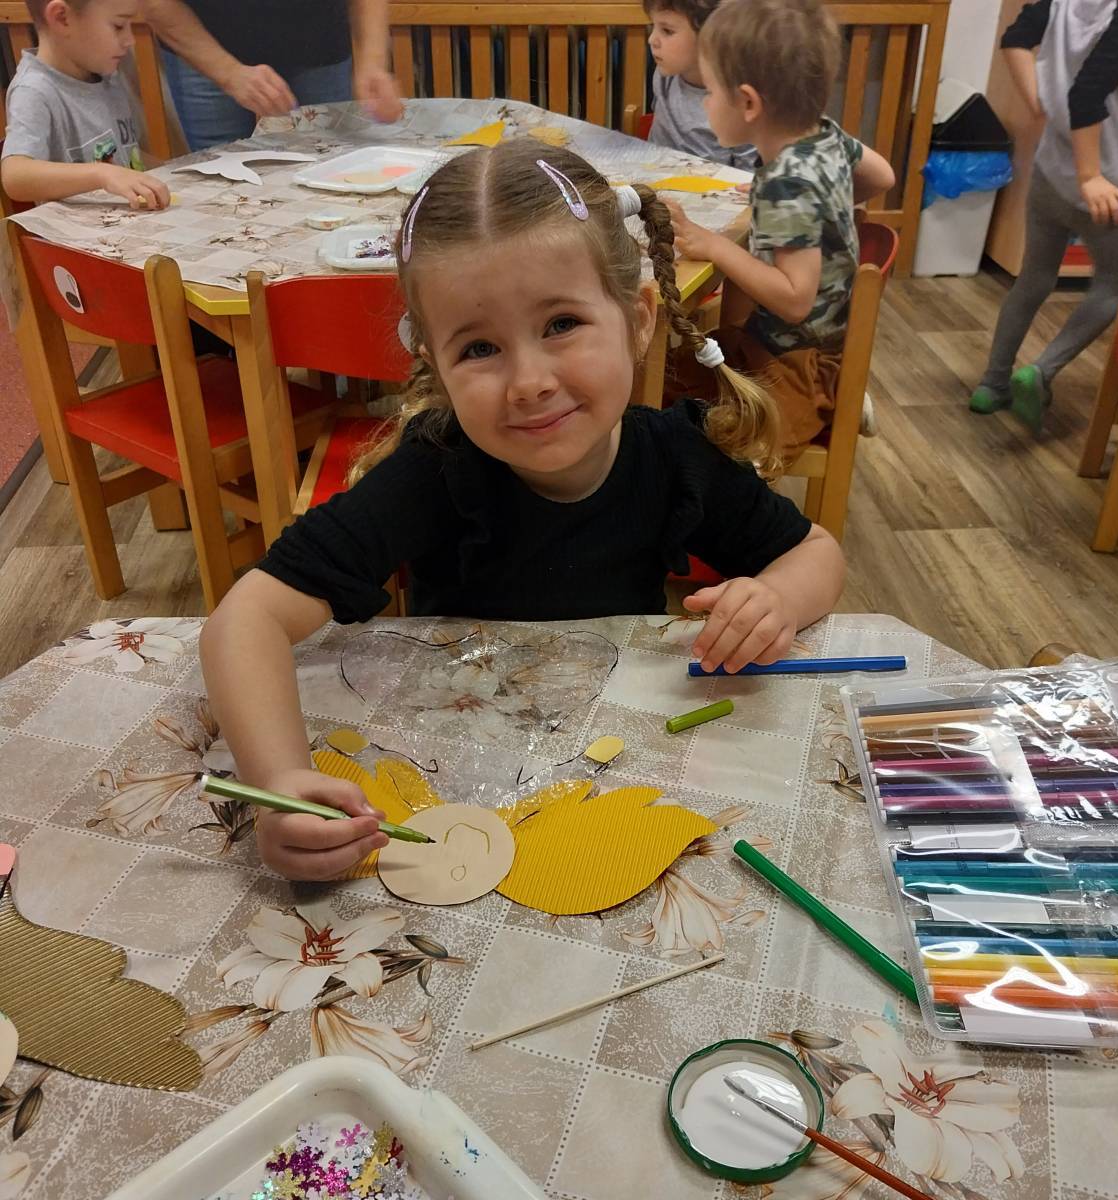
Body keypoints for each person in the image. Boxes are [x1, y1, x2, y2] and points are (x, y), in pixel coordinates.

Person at [199, 138, 846, 881]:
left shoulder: (677, 456)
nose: (529, 381)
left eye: (561, 324)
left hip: (611, 772)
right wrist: (281, 784)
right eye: (479, 348)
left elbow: (816, 553)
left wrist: (776, 598)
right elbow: (243, 621)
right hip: (452, 788)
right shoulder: (435, 471)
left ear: (638, 319)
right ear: (434, 365)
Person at [663, 0, 895, 461]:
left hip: (797, 364)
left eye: (710, 91)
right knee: (673, 373)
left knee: (730, 459)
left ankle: (835, 398)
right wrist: (824, 217)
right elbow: (883, 177)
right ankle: (842, 395)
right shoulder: (826, 135)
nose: (705, 103)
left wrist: (715, 246)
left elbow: (794, 299)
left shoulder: (786, 184)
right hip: (781, 342)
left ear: (748, 103)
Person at [970, 0, 1118, 433]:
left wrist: (1039, 104)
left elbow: (1015, 38)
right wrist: (1090, 176)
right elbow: (1086, 95)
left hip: (1050, 172)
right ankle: (1041, 372)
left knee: (1034, 278)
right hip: (1105, 185)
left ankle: (992, 383)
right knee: (1116, 284)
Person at [143, 0, 403, 150]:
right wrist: (228, 73)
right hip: (206, 40)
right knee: (219, 175)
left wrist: (373, 62)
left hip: (318, 42)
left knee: (333, 160)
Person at [2, 0, 171, 208]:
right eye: (119, 26)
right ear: (62, 18)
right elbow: (15, 176)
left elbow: (123, 154)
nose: (130, 40)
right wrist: (102, 174)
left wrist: (168, 173)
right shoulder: (34, 89)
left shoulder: (106, 76)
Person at [645, 0, 755, 171]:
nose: (652, 40)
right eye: (653, 26)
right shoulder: (663, 74)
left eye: (667, 31)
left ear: (710, 37)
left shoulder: (738, 98)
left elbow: (748, 174)